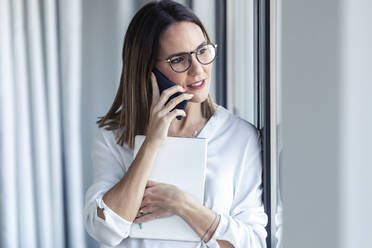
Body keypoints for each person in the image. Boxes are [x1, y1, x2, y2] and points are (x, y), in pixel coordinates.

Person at [84, 1, 268, 247]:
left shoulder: (241, 137)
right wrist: (150, 144)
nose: (198, 70)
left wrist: (181, 204)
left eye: (202, 51)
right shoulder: (114, 136)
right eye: (179, 60)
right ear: (147, 70)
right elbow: (105, 230)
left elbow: (253, 242)